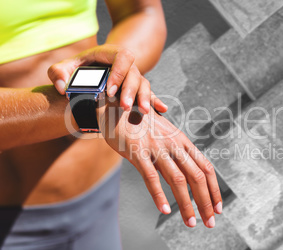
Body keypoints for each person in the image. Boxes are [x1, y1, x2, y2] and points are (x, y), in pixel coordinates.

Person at [0, 0, 222, 249]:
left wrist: (113, 79)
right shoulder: (99, 104)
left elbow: (141, 13)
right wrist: (91, 103)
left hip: (97, 206)